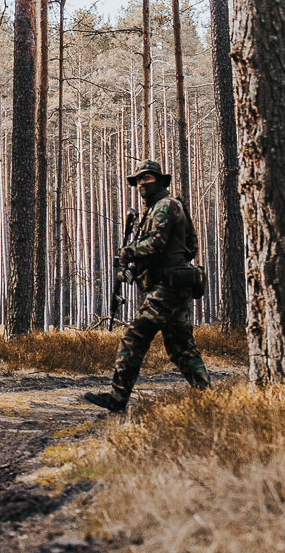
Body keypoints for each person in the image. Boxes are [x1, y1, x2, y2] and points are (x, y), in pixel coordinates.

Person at [83, 160, 211, 414]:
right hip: (173, 284)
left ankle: (117, 399)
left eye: (148, 178)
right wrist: (133, 269)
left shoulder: (165, 206)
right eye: (139, 179)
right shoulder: (160, 208)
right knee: (181, 348)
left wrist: (128, 252)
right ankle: (208, 399)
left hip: (169, 286)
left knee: (134, 338)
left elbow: (156, 243)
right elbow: (187, 247)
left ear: (160, 181)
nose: (143, 183)